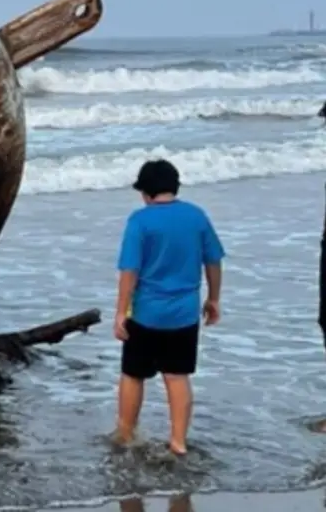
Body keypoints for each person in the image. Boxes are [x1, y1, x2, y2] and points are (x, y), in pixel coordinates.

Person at [112, 158, 225, 456]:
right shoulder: (196, 216)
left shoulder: (140, 221)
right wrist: (214, 298)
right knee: (177, 377)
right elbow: (213, 261)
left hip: (147, 313)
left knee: (133, 374)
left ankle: (125, 433)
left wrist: (121, 312)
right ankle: (178, 441)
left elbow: (129, 271)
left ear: (146, 193)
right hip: (184, 314)